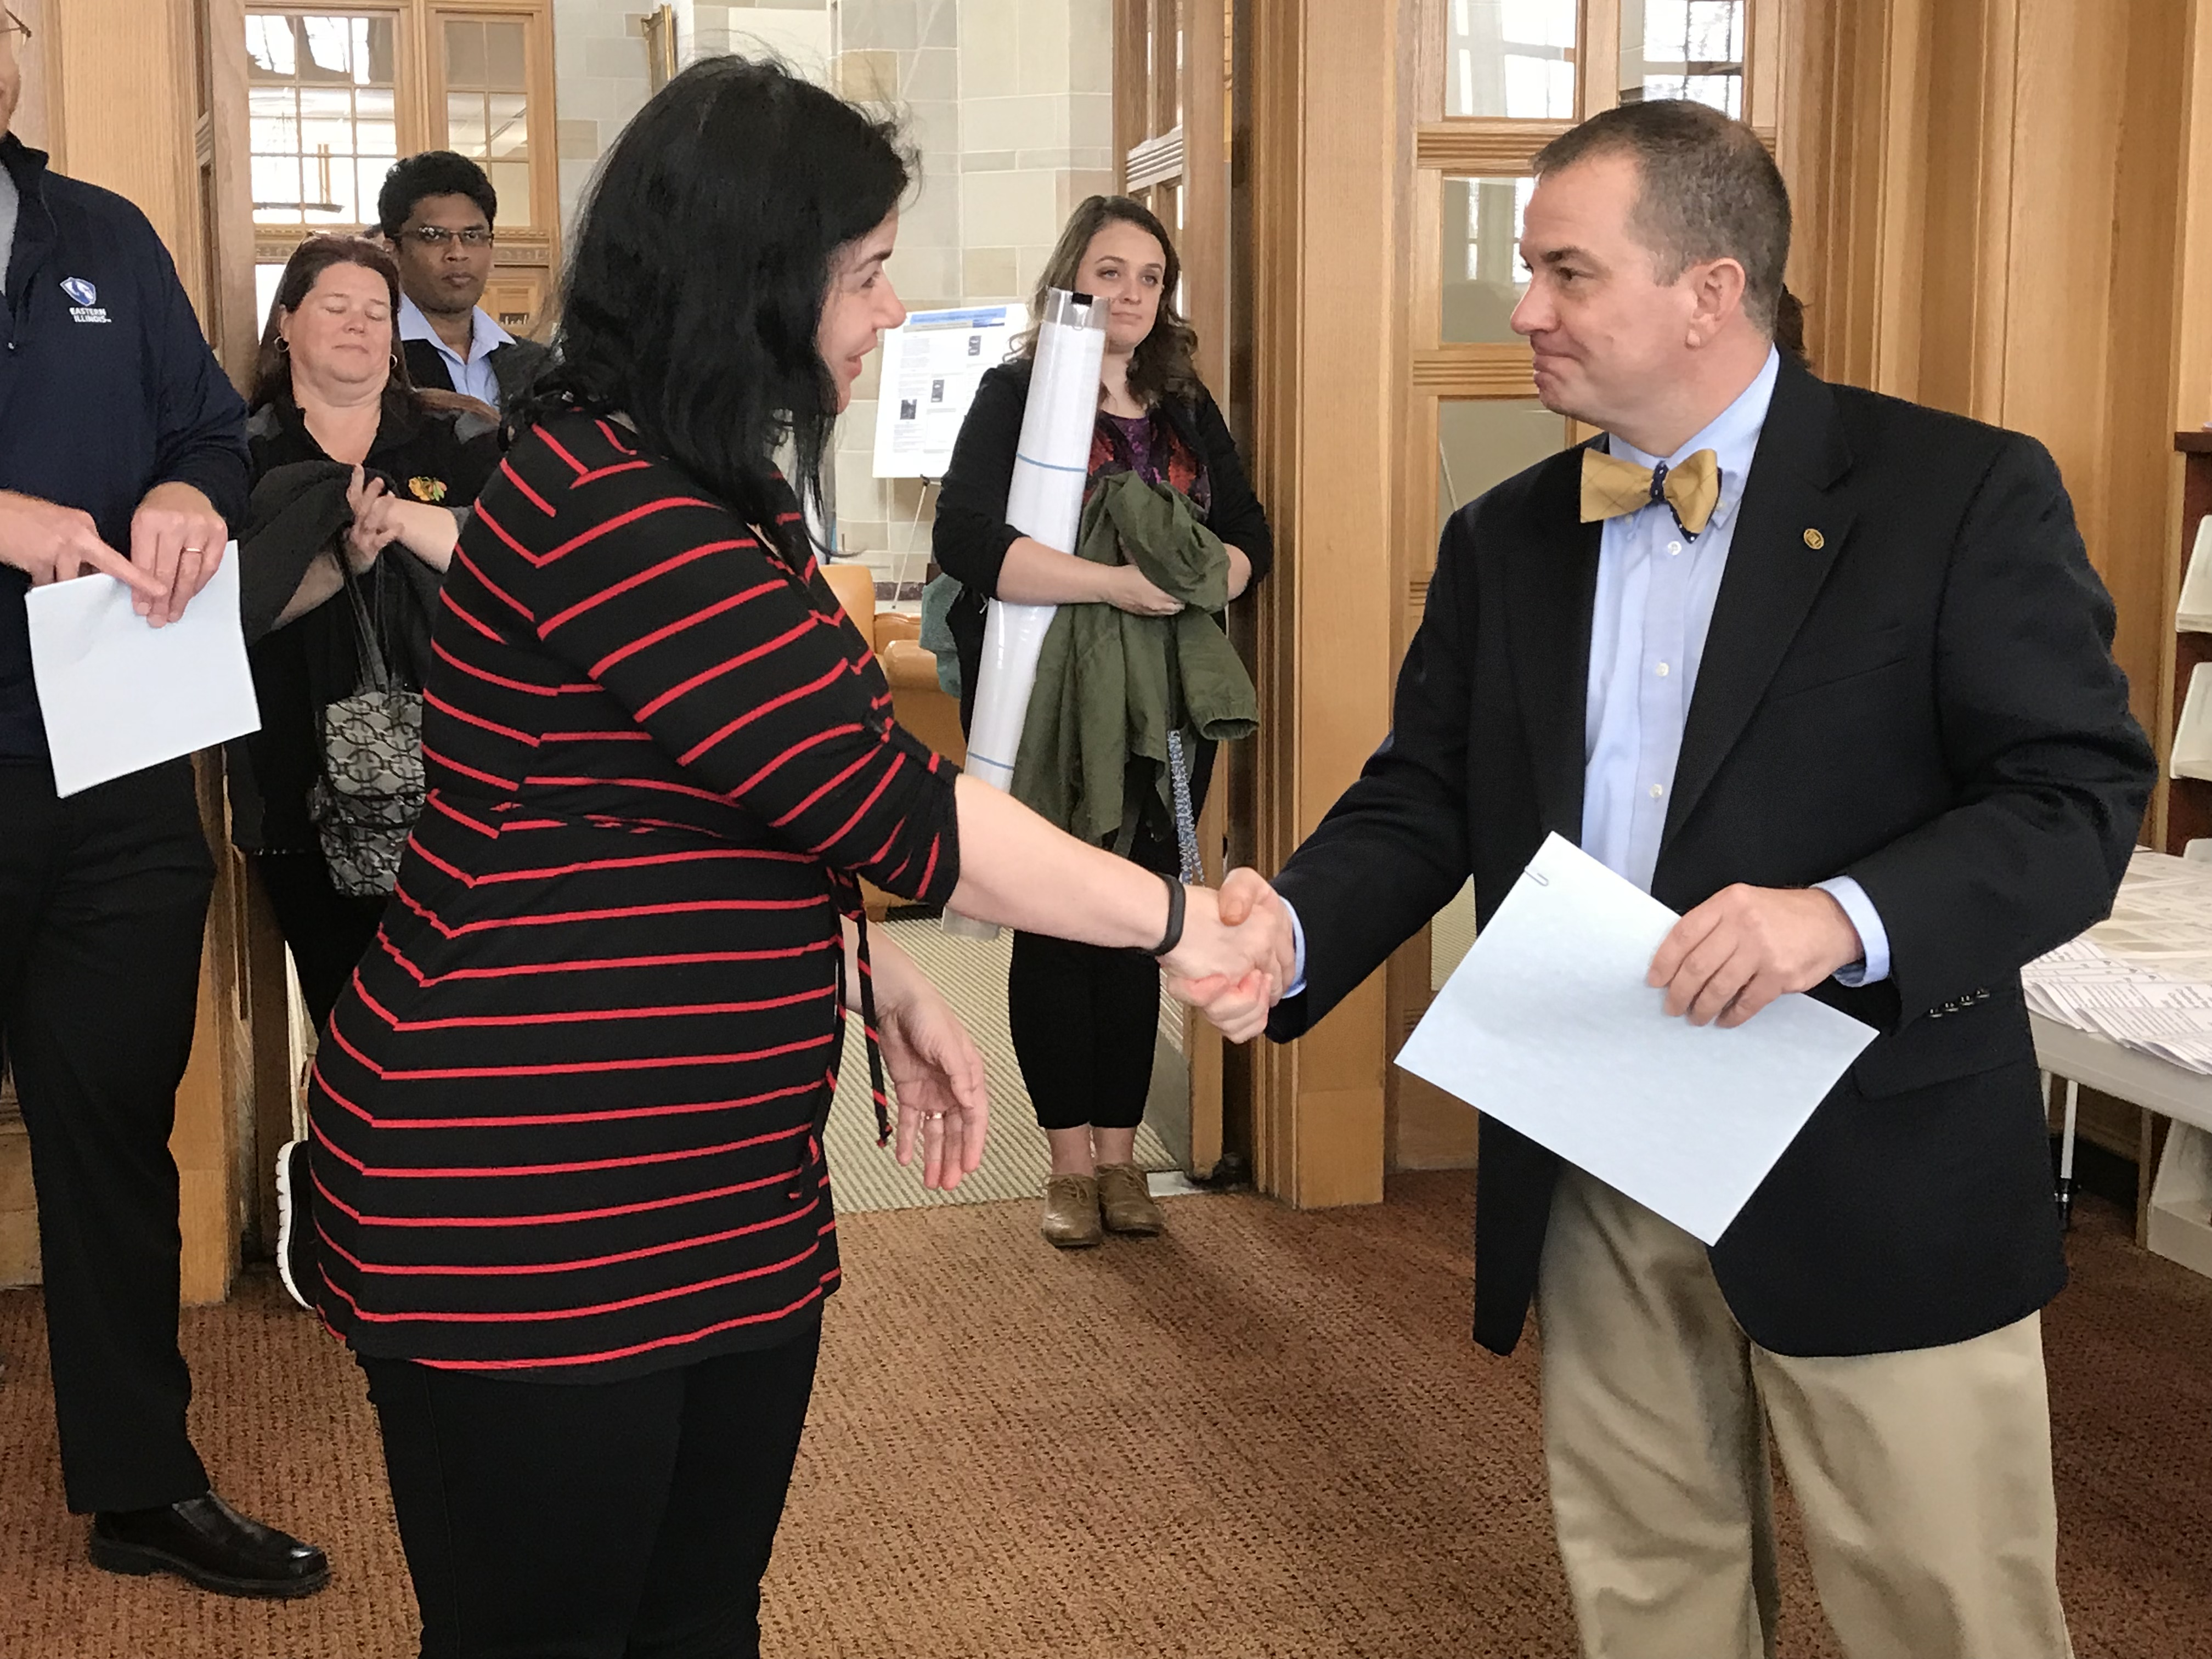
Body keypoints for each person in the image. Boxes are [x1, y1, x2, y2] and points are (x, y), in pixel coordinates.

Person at [304, 57, 1276, 1659]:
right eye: (870, 272)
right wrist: (1183, 920)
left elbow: (710, 799)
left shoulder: (716, 489)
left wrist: (859, 960)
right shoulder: (612, 502)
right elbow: (897, 807)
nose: (892, 313)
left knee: (698, 1621)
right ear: (753, 282)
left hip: (717, 1181)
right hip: (533, 1193)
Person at [1201, 99, 2155, 1657]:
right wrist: (1294, 927)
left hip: (1870, 1148)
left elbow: (2074, 799)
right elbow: (1424, 800)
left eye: (1566, 272)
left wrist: (1835, 919)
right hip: (1595, 1134)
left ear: (1712, 292)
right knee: (1648, 1591)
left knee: (1949, 1611)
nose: (1523, 309)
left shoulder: (1959, 493)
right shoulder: (1508, 539)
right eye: (1530, 269)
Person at [0, 12, 329, 1600]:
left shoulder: (104, 237)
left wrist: (188, 493)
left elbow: (212, 426)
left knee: (115, 1138)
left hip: (120, 772)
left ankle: (141, 1485)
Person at [935, 194, 1272, 1248]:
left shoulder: (1183, 404)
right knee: (1054, 921)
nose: (1130, 294)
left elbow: (1250, 540)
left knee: (1142, 914)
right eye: (1110, 271)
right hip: (1045, 702)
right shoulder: (1017, 391)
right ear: (1069, 279)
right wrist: (1112, 584)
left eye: (1150, 278)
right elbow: (968, 541)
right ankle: (1067, 1160)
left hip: (1167, 707)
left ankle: (1125, 1160)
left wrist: (1189, 577)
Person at [234, 234, 501, 1034]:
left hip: (457, 785)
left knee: (464, 1028)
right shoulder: (239, 452)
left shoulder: (462, 437)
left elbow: (514, 568)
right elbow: (222, 614)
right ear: (286, 324)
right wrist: (336, 559)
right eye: (335, 306)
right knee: (353, 1025)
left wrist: (406, 522)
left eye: (376, 312)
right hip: (299, 791)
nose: (358, 325)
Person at [376, 150, 548, 410]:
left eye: (473, 236)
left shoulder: (534, 365)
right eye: (434, 236)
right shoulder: (373, 356)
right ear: (393, 251)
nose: (457, 253)